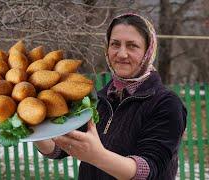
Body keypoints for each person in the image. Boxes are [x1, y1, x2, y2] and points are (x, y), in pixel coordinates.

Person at [34, 13, 187, 180]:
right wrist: (33, 130)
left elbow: (149, 169)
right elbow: (60, 148)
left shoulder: (166, 103)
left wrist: (97, 156)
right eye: (115, 44)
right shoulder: (99, 99)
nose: (121, 54)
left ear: (148, 52)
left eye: (132, 46)